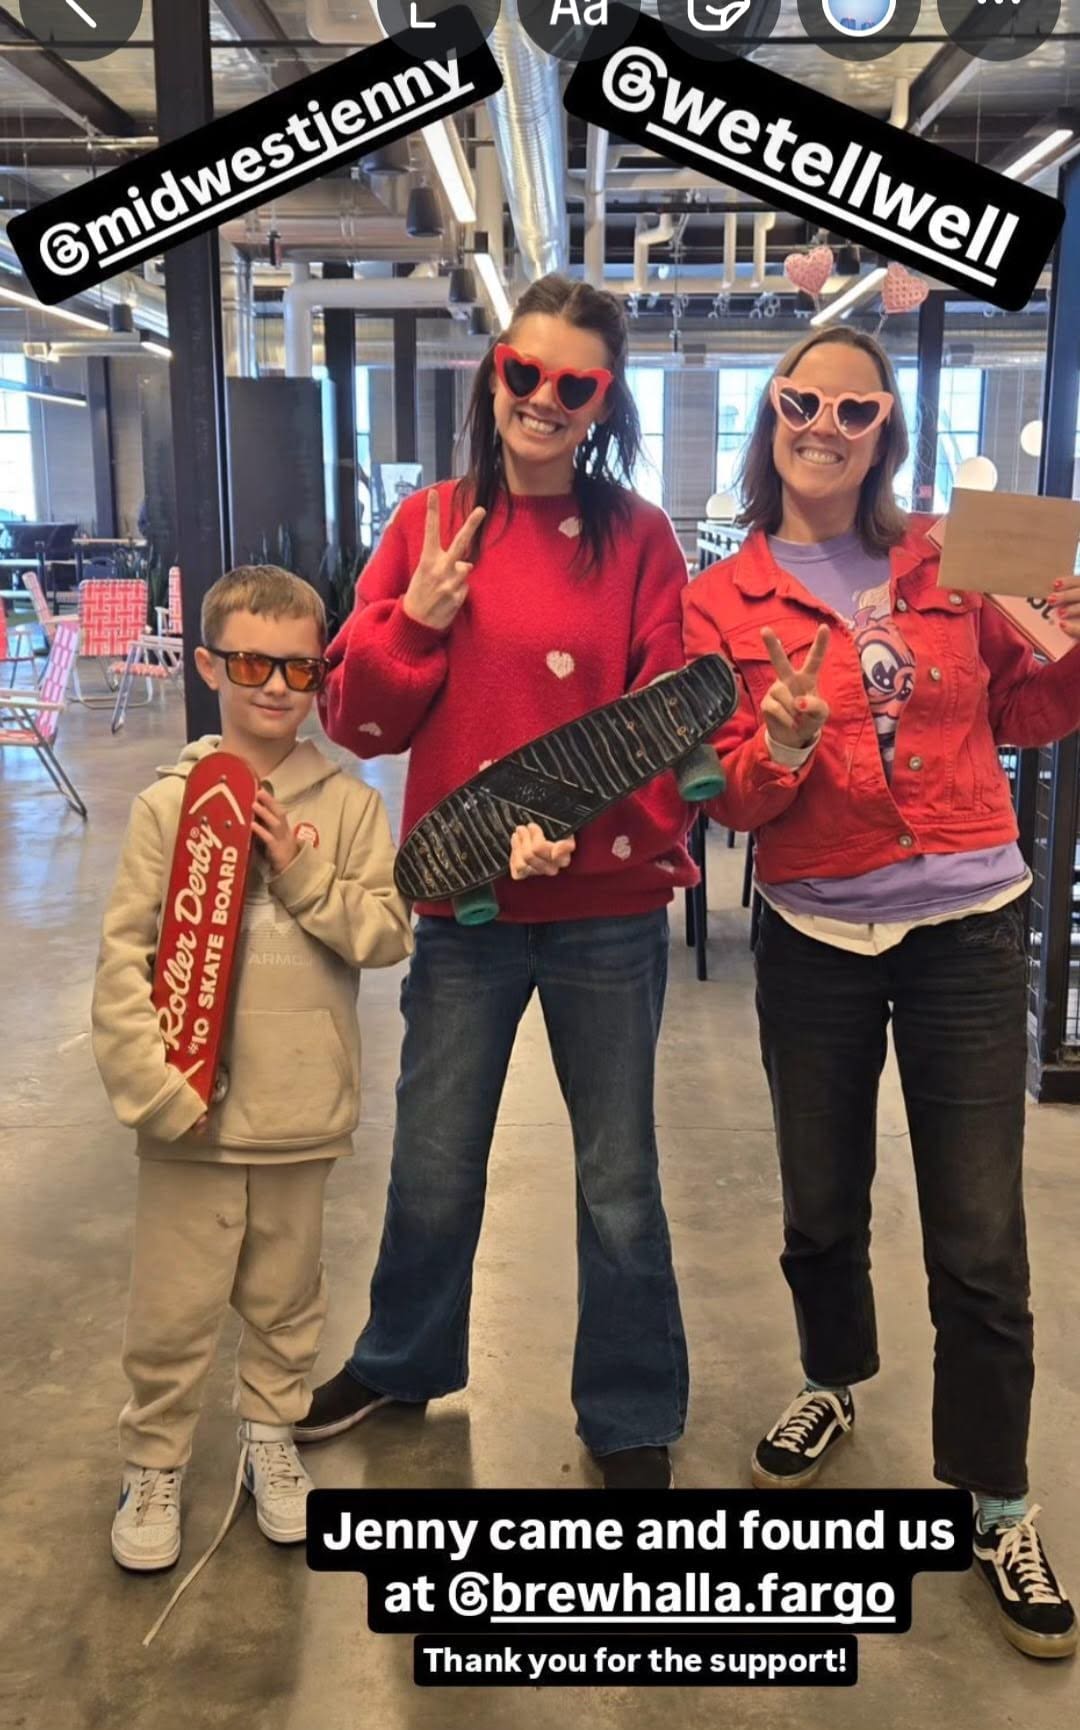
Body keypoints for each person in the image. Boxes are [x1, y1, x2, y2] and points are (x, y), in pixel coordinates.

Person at [683, 326, 1080, 1659]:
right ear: (771, 419)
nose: (829, 424)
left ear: (883, 431)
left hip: (967, 922)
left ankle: (997, 1492)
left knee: (979, 1234)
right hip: (811, 926)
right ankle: (833, 1380)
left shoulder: (959, 558)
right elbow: (729, 794)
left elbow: (1031, 712)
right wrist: (782, 742)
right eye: (804, 401)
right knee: (818, 1199)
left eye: (857, 407)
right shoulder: (722, 598)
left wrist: (1072, 629)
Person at [298, 274, 695, 1490]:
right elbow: (357, 720)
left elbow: (666, 729)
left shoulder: (639, 539)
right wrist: (412, 619)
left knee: (618, 1172)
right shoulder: (426, 525)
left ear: (600, 402)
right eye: (525, 372)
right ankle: (403, 1355)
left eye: (573, 384)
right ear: (495, 373)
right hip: (463, 907)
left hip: (606, 910)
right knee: (433, 1151)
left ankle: (630, 1408)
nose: (542, 398)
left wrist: (577, 826)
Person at [92, 564, 412, 1572]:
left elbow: (386, 930)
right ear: (209, 664)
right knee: (174, 1301)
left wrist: (301, 870)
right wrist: (153, 1086)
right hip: (189, 1114)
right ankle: (156, 1460)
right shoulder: (166, 804)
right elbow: (126, 957)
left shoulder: (351, 808)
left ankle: (272, 1437)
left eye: (299, 666)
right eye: (250, 662)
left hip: (299, 1111)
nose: (276, 685)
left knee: (286, 1294)